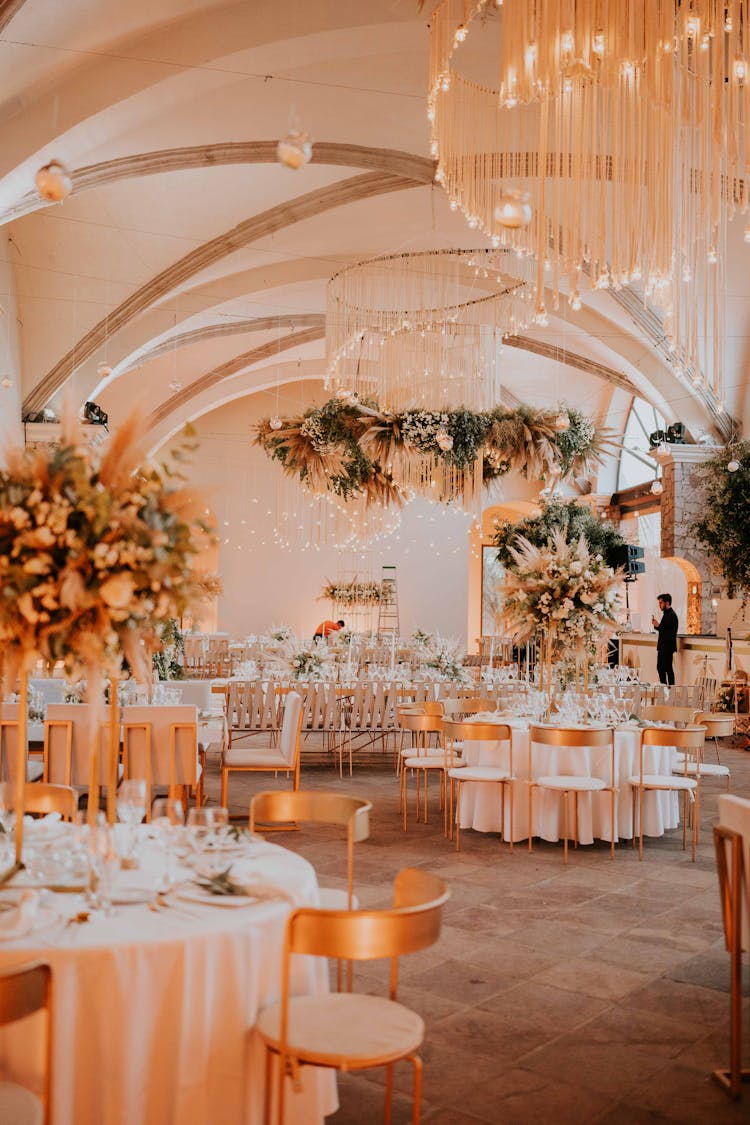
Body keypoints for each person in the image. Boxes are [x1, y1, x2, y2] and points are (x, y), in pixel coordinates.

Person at [652, 593, 678, 686]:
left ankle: (670, 691)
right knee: (660, 668)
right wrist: (657, 626)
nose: (659, 605)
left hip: (667, 647)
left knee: (668, 669)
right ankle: (664, 689)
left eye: (661, 603)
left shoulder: (672, 615)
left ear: (667, 603)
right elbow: (663, 629)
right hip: (663, 647)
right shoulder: (667, 614)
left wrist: (658, 626)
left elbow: (670, 633)